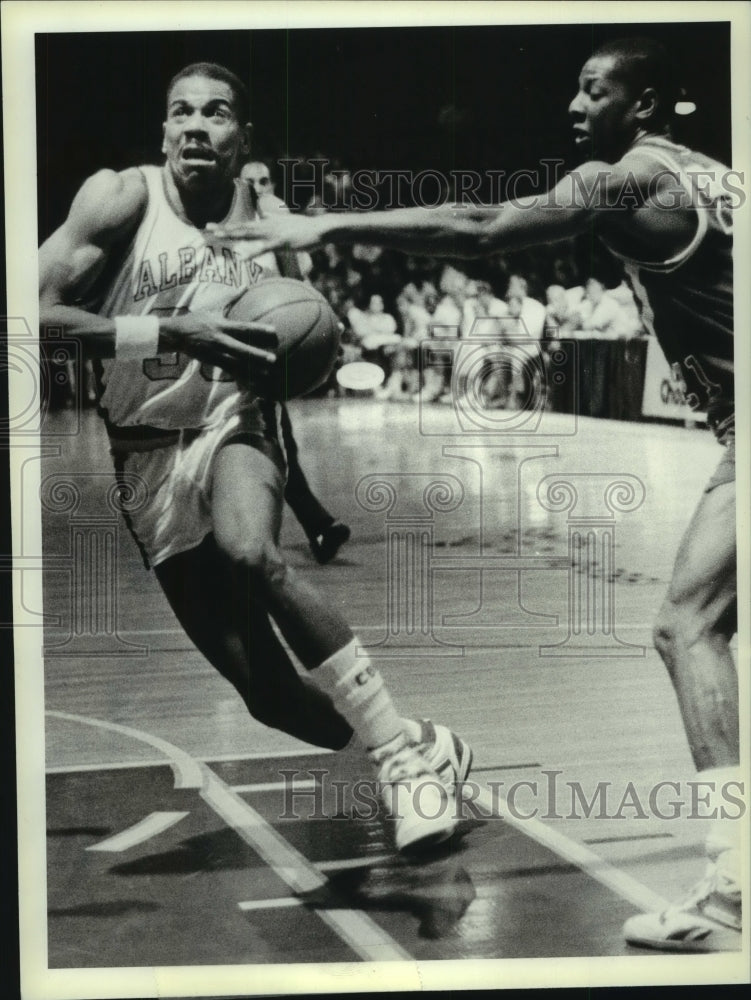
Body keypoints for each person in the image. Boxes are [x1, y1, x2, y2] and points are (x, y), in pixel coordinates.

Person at [216, 37, 740, 948]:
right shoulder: (714, 175)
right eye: (573, 90)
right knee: (693, 625)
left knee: (686, 627)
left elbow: (479, 226)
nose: (573, 107)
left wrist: (325, 228)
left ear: (644, 106)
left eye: (594, 91)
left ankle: (732, 883)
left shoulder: (622, 179)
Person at [39, 61, 473, 855]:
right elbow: (28, 313)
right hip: (144, 457)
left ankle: (401, 765)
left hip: (233, 424)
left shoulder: (273, 230)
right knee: (268, 697)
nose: (195, 125)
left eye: (215, 113)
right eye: (180, 112)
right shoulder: (122, 198)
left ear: (243, 136)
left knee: (250, 553)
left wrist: (301, 497)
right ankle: (420, 741)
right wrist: (169, 331)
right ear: (163, 131)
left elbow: (284, 371)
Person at [240, 160, 351, 563]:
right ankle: (310, 526)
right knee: (267, 442)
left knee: (277, 439)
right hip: (225, 343)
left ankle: (313, 526)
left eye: (264, 180)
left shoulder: (277, 217)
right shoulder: (220, 220)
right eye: (250, 181)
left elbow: (298, 287)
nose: (258, 187)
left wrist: (323, 330)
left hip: (265, 346)